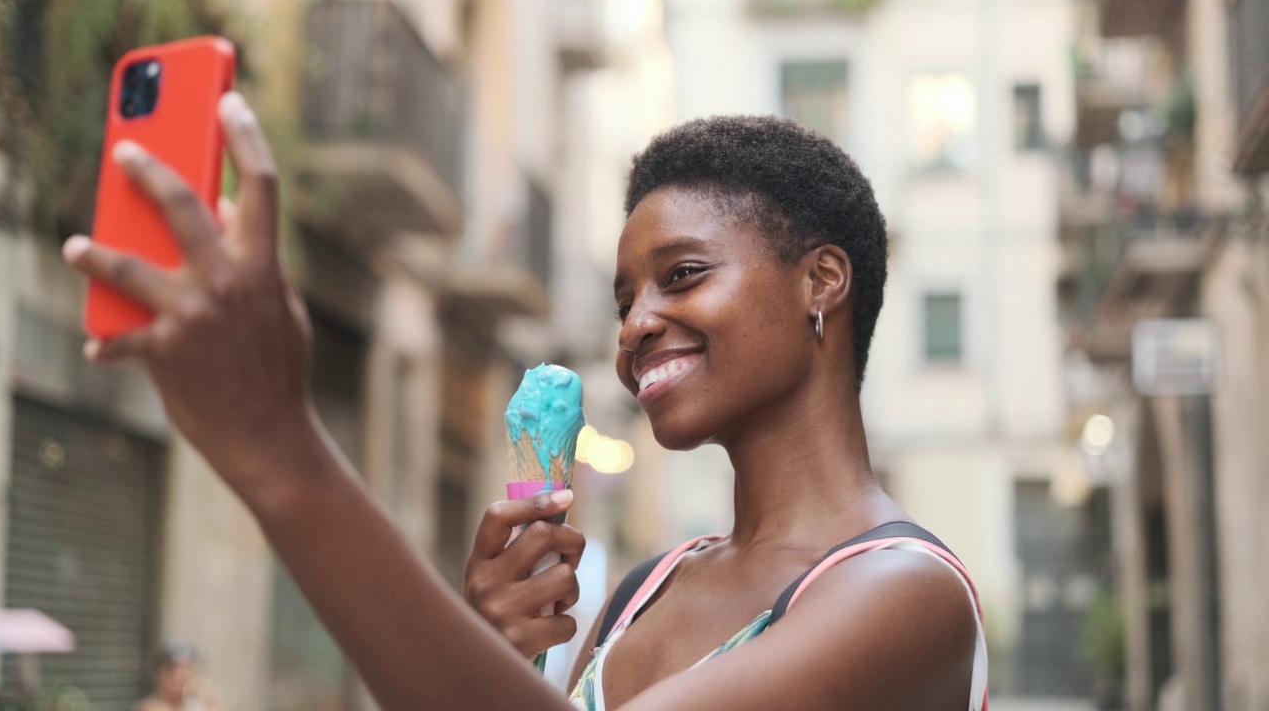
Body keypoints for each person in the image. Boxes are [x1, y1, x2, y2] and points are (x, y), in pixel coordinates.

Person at [63, 92, 987, 710]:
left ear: (821, 280)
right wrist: (493, 655)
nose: (636, 326)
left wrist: (280, 452)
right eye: (626, 300)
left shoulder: (903, 596)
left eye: (683, 275)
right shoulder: (646, 592)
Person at [136, 643, 224, 711]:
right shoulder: (150, 707)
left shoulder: (196, 702)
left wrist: (208, 696)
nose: (180, 675)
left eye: (187, 668)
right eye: (172, 669)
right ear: (158, 674)